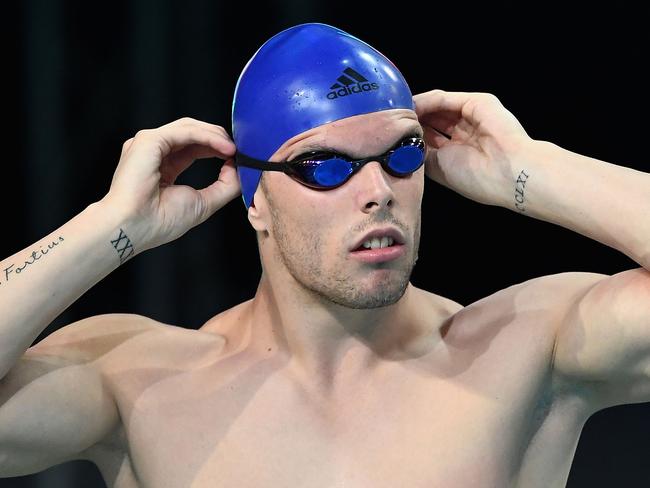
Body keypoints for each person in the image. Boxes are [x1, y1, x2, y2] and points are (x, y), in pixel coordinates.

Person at [1, 22, 649, 487]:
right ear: (254, 199)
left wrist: (532, 169)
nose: (378, 192)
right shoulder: (138, 385)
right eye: (322, 166)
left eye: (401, 154)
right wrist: (110, 227)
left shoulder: (529, 351)